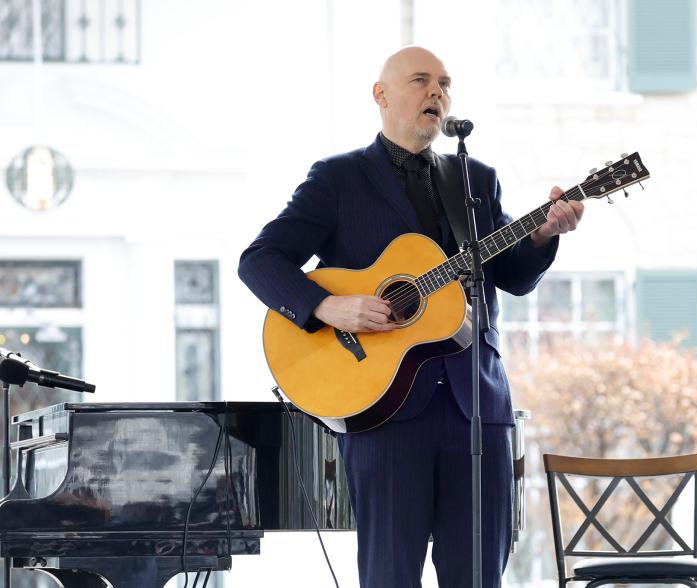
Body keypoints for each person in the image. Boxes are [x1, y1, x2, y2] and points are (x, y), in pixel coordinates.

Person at [238, 46, 584, 587]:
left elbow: (512, 275)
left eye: (445, 84)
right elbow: (259, 260)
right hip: (384, 408)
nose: (436, 93)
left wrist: (542, 234)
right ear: (381, 95)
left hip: (478, 403)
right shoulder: (337, 180)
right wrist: (328, 306)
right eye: (421, 81)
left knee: (478, 578)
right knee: (390, 575)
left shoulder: (476, 180)